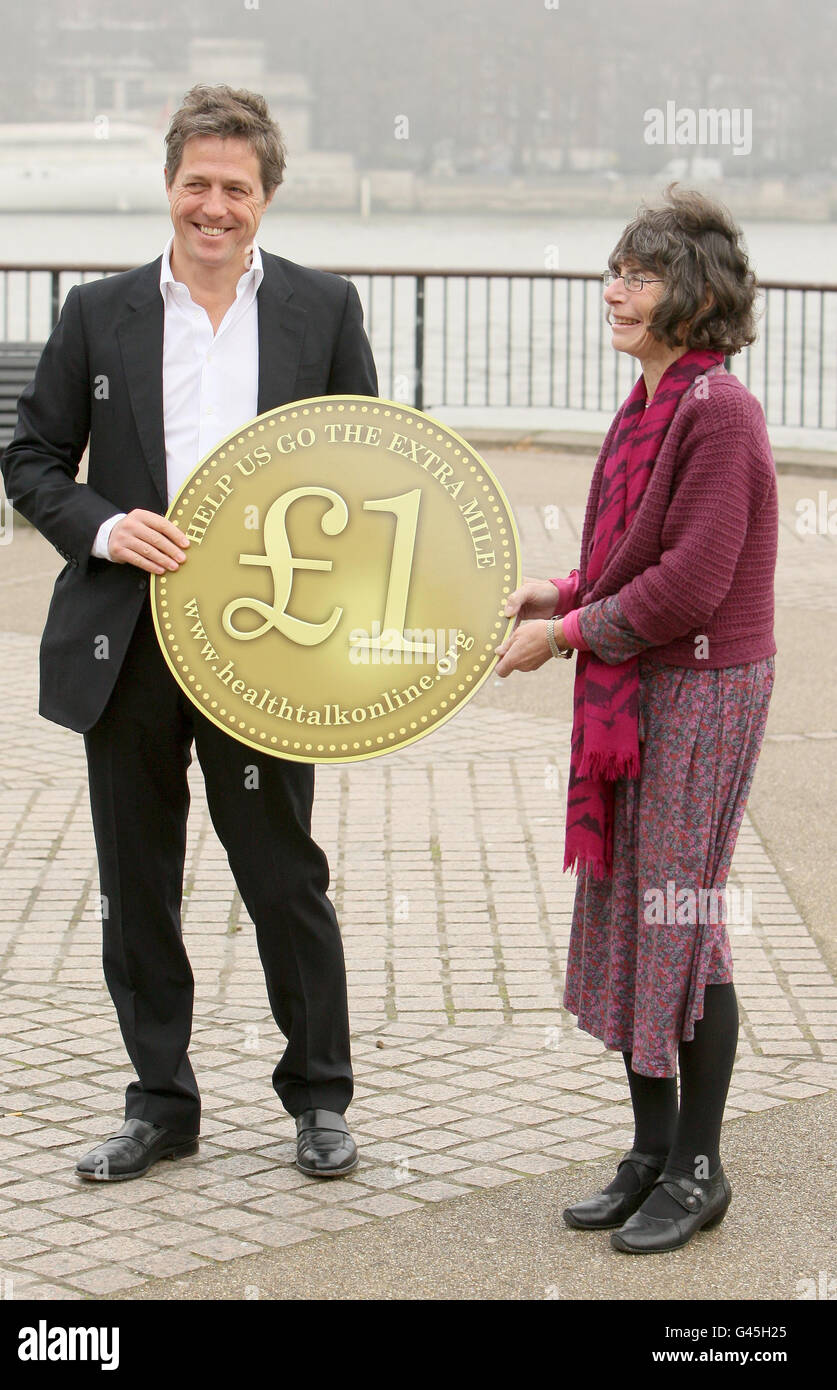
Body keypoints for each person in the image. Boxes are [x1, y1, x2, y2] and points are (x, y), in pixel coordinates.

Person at [1, 85, 378, 1182]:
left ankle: (318, 1097)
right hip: (127, 648)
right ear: (170, 186)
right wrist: (107, 526)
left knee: (283, 876)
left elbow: (359, 469)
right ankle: (160, 1104)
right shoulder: (96, 312)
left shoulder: (321, 306)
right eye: (197, 184)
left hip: (264, 646)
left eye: (236, 188)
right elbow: (32, 461)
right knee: (138, 885)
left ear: (264, 199)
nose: (214, 207)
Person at [495, 187, 777, 1254]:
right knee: (633, 915)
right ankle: (649, 1150)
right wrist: (561, 594)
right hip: (641, 688)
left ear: (691, 295)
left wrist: (567, 637)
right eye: (614, 270)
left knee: (678, 915)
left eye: (640, 275)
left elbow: (691, 584)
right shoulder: (650, 401)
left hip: (702, 689)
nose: (614, 290)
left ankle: (698, 1166)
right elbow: (631, 563)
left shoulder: (718, 412)